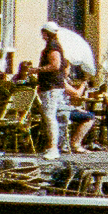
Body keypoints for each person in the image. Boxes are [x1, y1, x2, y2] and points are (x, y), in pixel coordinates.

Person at [35, 28, 71, 157]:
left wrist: (37, 70)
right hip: (50, 86)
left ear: (46, 33)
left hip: (51, 86)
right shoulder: (54, 45)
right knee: (49, 116)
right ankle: (51, 146)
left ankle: (53, 148)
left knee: (50, 117)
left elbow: (55, 65)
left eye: (43, 33)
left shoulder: (53, 46)